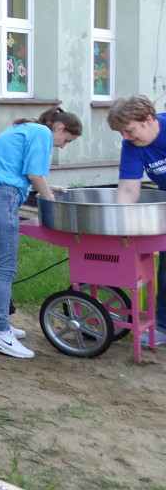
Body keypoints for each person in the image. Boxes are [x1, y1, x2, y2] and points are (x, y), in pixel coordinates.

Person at [0, 107, 82, 359]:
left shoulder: (22, 128)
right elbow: (34, 174)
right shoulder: (42, 132)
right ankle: (0, 333)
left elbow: (15, 172)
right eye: (66, 141)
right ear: (59, 128)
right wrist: (50, 200)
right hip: (0, 199)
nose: (63, 147)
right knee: (5, 269)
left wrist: (47, 187)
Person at [107, 94, 166, 346]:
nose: (126, 137)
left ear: (149, 119)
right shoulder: (132, 147)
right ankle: (163, 326)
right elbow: (129, 191)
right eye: (122, 132)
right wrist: (121, 227)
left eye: (129, 131)